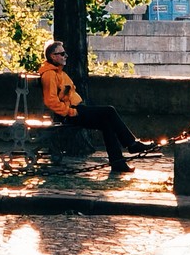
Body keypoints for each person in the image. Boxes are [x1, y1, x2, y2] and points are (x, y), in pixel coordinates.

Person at [37, 42, 151, 174]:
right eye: (62, 54)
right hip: (70, 113)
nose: (65, 56)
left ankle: (118, 163)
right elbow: (50, 101)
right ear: (53, 56)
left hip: (74, 110)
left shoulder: (58, 72)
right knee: (109, 111)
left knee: (107, 124)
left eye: (65, 53)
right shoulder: (50, 74)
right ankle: (131, 144)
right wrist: (70, 112)